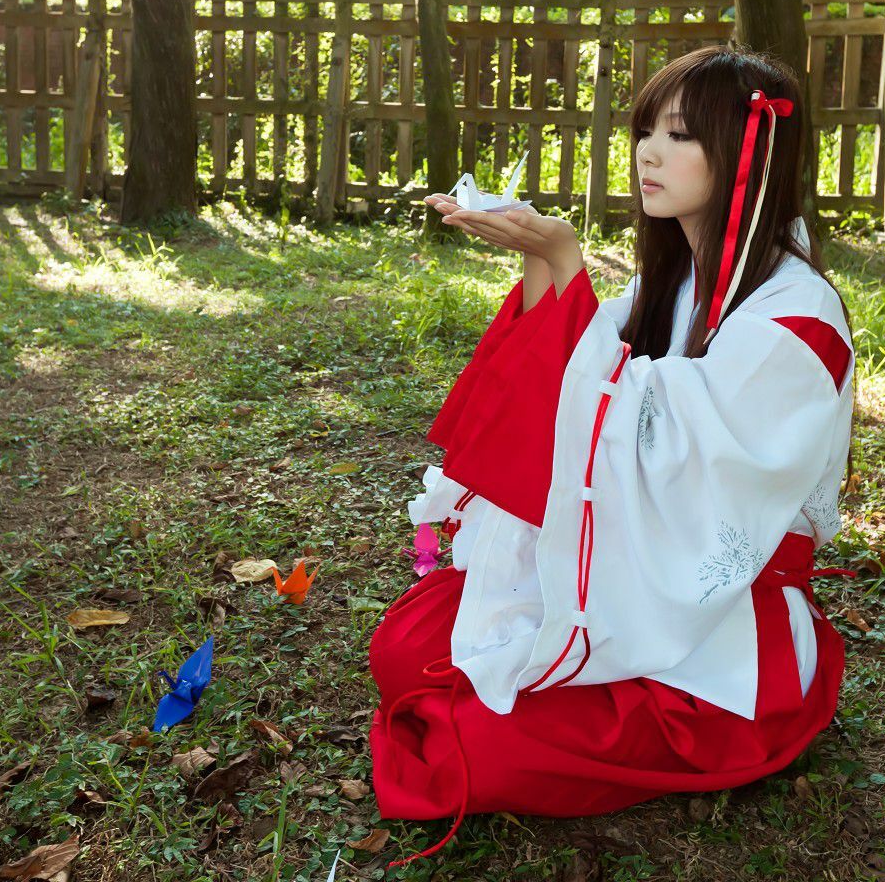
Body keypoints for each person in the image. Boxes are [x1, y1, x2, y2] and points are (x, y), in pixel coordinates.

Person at [366, 45, 858, 868]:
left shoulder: (798, 320)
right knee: (405, 648)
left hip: (723, 626)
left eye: (681, 136)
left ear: (748, 151)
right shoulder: (678, 278)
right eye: (645, 132)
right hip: (634, 575)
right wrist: (542, 261)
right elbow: (568, 383)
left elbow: (669, 456)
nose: (649, 154)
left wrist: (565, 262)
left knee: (461, 743)